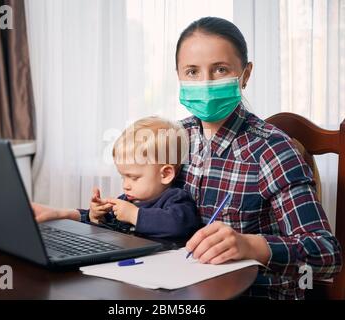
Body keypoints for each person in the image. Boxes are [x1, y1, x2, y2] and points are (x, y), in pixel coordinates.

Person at [33, 17, 342, 299]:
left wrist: (251, 245)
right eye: (192, 72)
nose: (205, 82)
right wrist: (69, 214)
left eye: (220, 69)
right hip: (180, 291)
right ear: (178, 76)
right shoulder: (172, 137)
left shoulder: (273, 150)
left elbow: (328, 256)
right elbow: (140, 206)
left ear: (245, 74)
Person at [36, 116, 200, 239]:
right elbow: (109, 225)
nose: (126, 185)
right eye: (123, 177)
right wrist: (97, 215)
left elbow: (179, 226)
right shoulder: (127, 200)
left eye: (133, 178)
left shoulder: (176, 199)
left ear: (165, 174)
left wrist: (134, 215)